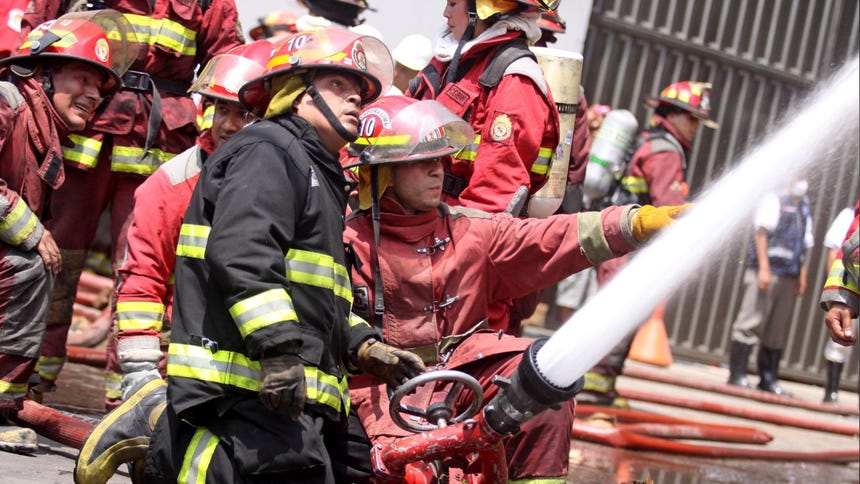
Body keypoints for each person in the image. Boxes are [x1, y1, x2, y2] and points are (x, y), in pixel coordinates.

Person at [344, 95, 688, 482]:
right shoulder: (344, 240)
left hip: (462, 381)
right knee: (413, 475)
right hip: (379, 396)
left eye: (440, 159)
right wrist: (366, 351)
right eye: (421, 161)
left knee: (547, 378)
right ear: (383, 172)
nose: (437, 170)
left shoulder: (469, 231)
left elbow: (551, 237)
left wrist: (634, 224)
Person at [137, 29, 423, 483]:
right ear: (296, 93)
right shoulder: (268, 151)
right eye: (338, 85)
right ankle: (166, 444)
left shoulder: (316, 169)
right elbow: (244, 255)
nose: (356, 98)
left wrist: (364, 346)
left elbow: (316, 291)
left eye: (359, 91)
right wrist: (277, 352)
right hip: (242, 386)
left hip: (301, 388)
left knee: (357, 468)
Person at [19, 0, 245, 400]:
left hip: (158, 145)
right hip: (82, 133)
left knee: (139, 267)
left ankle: (128, 393)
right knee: (54, 256)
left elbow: (230, 66)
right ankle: (29, 374)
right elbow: (35, 37)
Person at [99, 40, 274, 411]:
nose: (228, 125)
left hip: (262, 367)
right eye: (221, 109)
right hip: (185, 362)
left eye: (246, 114)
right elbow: (142, 279)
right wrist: (141, 373)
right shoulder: (173, 183)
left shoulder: (289, 186)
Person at [0, 9, 135, 454]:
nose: (94, 94)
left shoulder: (44, 132)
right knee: (27, 266)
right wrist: (32, 231)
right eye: (83, 79)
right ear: (42, 72)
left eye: (100, 87)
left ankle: (7, 402)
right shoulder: (5, 102)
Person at [581, 80, 719, 405]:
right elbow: (670, 210)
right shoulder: (666, 151)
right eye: (693, 118)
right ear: (673, 115)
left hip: (617, 241)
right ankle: (595, 388)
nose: (696, 127)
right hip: (631, 248)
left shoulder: (648, 140)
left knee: (614, 312)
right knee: (620, 314)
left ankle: (601, 386)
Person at [407, 0, 560, 215]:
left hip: (453, 222)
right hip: (417, 214)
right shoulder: (451, 61)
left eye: (453, 3)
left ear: (483, 9)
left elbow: (493, 195)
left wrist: (451, 232)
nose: (445, 13)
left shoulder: (515, 79)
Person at [726, 177, 814, 395]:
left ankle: (768, 378)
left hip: (788, 275)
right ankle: (737, 375)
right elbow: (761, 233)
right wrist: (764, 268)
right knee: (750, 321)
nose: (801, 180)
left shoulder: (804, 206)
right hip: (767, 271)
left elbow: (804, 244)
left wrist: (802, 274)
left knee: (777, 328)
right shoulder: (774, 198)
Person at [819, 200, 859, 402]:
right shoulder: (848, 214)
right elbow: (853, 245)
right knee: (839, 348)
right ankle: (831, 393)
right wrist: (842, 296)